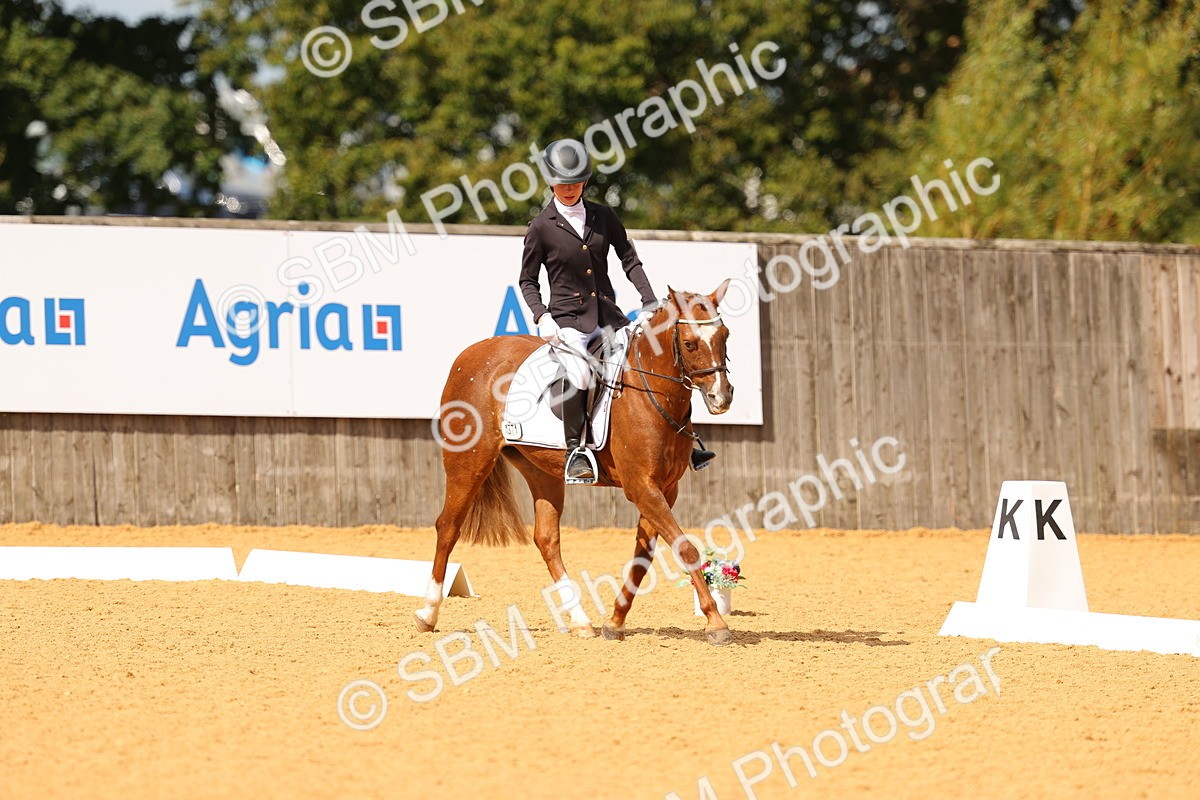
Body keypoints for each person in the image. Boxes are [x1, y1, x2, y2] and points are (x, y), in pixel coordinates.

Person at [519, 139, 715, 484]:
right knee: (580, 375)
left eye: (576, 183)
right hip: (569, 323)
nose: (569, 189)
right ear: (550, 182)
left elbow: (629, 259)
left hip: (610, 318)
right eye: (563, 184)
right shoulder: (541, 226)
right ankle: (575, 451)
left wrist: (649, 299)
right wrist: (541, 315)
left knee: (653, 362)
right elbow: (528, 281)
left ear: (585, 182)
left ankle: (686, 441)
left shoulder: (603, 216)